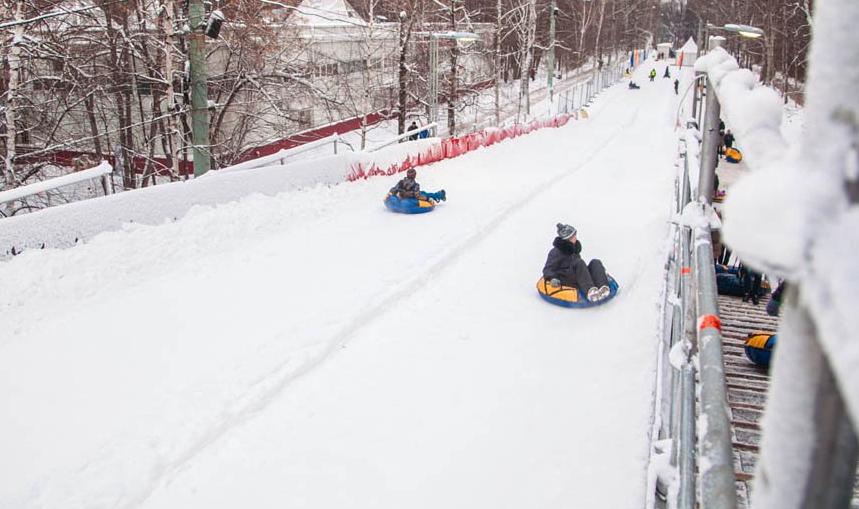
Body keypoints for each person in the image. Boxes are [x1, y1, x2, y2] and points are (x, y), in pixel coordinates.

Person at [542, 223, 610, 302]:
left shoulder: (573, 248)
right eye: (572, 236)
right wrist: (552, 278)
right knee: (579, 263)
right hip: (565, 277)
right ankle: (591, 292)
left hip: (576, 274)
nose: (575, 237)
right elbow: (547, 269)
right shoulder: (556, 252)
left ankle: (603, 288)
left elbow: (579, 268)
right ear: (567, 238)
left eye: (575, 235)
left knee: (595, 262)